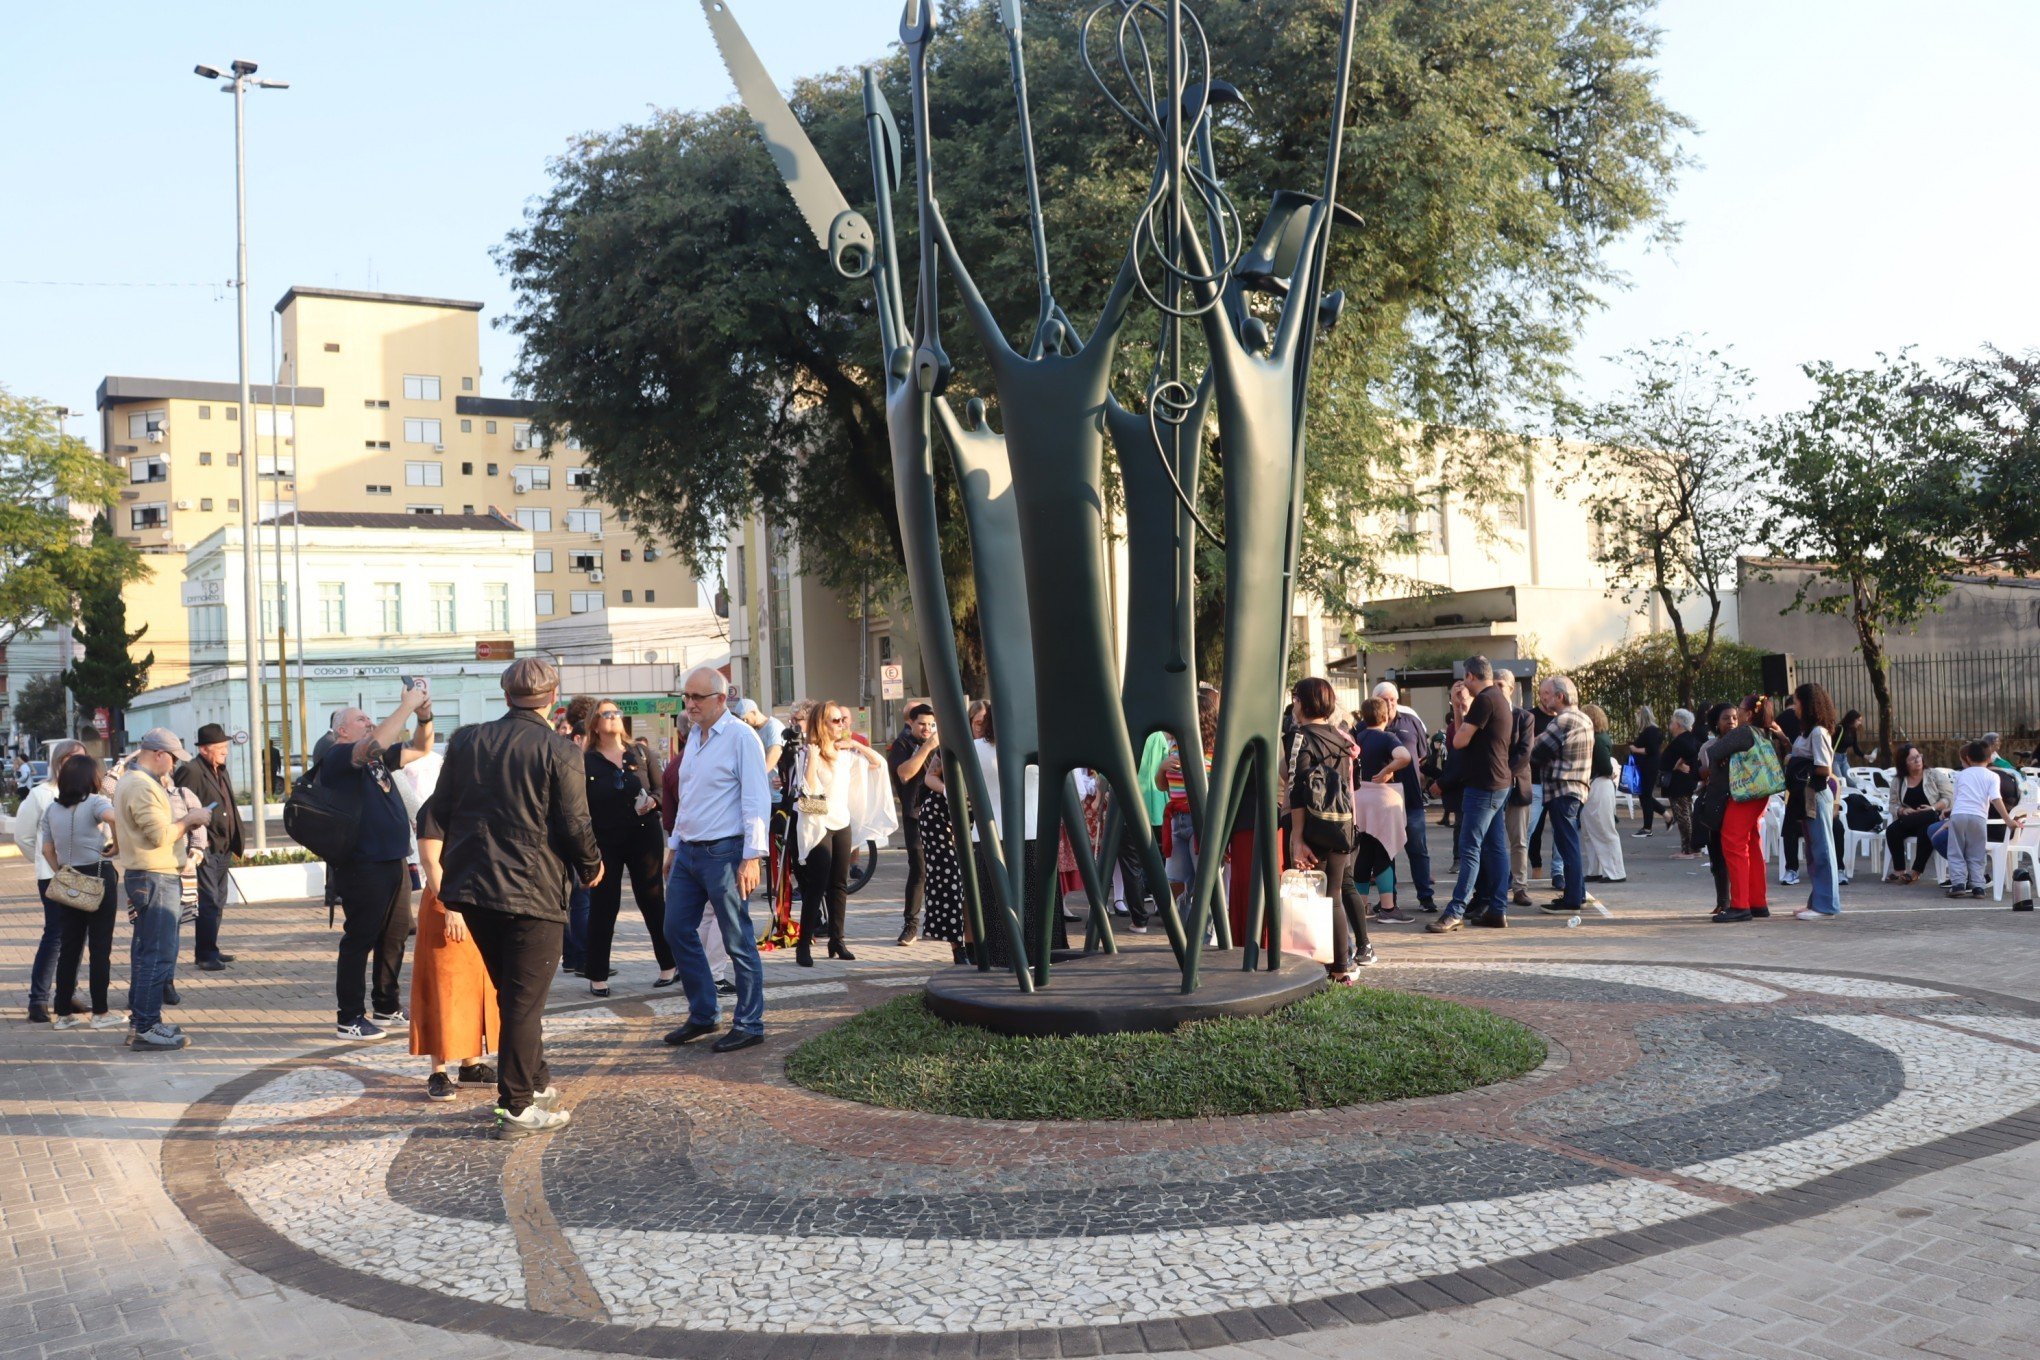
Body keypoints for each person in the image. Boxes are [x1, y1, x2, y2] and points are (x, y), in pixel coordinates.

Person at [424, 658, 602, 1136]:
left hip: (476, 890)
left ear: (505, 696)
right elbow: (574, 824)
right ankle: (517, 1106)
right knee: (524, 1002)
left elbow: (437, 810)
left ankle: (535, 1081)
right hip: (531, 891)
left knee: (514, 994)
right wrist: (592, 866)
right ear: (553, 697)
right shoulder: (559, 750)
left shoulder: (466, 740)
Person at [661, 667, 771, 1052]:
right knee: (675, 928)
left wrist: (752, 856)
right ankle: (704, 1013)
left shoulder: (741, 737)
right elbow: (689, 797)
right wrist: (673, 845)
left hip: (725, 853)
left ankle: (750, 1022)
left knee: (737, 939)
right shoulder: (694, 735)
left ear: (721, 700)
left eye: (697, 698)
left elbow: (757, 798)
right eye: (686, 697)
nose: (689, 704)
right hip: (689, 851)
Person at [321, 685, 436, 1041]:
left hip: (393, 859)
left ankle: (385, 1004)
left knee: (395, 933)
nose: (369, 722)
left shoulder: (376, 761)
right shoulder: (339, 757)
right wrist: (405, 706)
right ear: (342, 730)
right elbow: (375, 742)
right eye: (360, 719)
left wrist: (424, 715)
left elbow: (421, 747)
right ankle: (350, 1016)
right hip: (362, 863)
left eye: (369, 717)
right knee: (360, 938)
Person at [115, 729, 212, 1051]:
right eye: (172, 759)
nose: (172, 767)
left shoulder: (135, 782)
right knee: (156, 956)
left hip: (151, 875)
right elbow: (159, 835)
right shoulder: (142, 785)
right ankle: (146, 1026)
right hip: (154, 876)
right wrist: (191, 818)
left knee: (149, 954)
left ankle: (142, 1022)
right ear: (159, 754)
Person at [409, 769, 498, 1101]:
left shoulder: (480, 804)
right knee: (441, 987)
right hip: (445, 904)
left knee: (475, 986)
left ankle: (471, 1064)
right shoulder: (435, 808)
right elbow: (431, 862)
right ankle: (438, 1070)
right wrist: (452, 908)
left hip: (478, 903)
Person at [581, 699, 678, 997]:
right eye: (606, 714)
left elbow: (662, 789)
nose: (613, 717)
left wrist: (654, 801)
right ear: (595, 723)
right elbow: (579, 804)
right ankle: (597, 975)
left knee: (651, 899)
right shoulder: (585, 760)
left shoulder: (640, 752)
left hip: (643, 835)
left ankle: (669, 967)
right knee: (603, 904)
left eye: (616, 712)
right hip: (604, 839)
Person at [791, 699, 893, 966]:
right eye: (835, 721)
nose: (841, 725)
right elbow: (808, 791)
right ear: (821, 724)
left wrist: (856, 744)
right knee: (815, 886)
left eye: (842, 720)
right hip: (817, 825)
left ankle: (838, 940)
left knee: (839, 884)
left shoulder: (846, 755)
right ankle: (804, 945)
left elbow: (877, 764)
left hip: (841, 822)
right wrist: (812, 759)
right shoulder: (807, 752)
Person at [1287, 677, 1374, 978]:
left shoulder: (1301, 738)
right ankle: (1341, 968)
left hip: (1313, 826)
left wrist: (1297, 838)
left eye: (1295, 697)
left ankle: (1315, 966)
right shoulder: (1343, 738)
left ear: (1303, 702)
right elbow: (1352, 784)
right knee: (1333, 896)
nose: (1293, 703)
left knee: (1313, 899)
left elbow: (1298, 791)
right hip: (1341, 824)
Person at [1427, 658, 1513, 933]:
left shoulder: (1485, 701)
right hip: (1499, 783)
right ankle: (1497, 910)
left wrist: (1459, 709)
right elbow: (1465, 738)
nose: (1464, 685)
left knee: (1470, 850)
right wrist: (1459, 709)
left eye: (1465, 680)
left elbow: (1459, 741)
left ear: (1470, 676)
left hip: (1483, 786)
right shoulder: (1499, 698)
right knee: (1497, 848)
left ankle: (1455, 912)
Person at [40, 753, 123, 1032]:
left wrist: (61, 872)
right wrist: (117, 844)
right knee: (100, 948)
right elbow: (115, 817)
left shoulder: (52, 810)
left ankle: (63, 1014)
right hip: (98, 877)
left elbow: (46, 850)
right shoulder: (97, 802)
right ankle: (100, 1012)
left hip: (68, 879)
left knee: (69, 948)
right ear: (91, 778)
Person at [16, 738, 84, 1023]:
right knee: (55, 935)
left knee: (78, 936)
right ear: (61, 761)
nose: (82, 764)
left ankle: (66, 994)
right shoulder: (42, 794)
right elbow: (23, 835)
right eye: (75, 758)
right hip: (53, 875)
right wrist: (45, 862)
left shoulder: (85, 792)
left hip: (83, 873)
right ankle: (38, 1000)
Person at [1707, 694, 1788, 923]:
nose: (1738, 712)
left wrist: (1724, 755)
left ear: (1749, 714)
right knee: (1752, 843)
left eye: (1740, 709)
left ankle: (1740, 904)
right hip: (1760, 794)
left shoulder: (1744, 732)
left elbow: (1714, 752)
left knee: (1732, 842)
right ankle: (1757, 902)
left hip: (1745, 795)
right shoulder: (1763, 733)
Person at [173, 724, 244, 971]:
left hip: (223, 847)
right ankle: (204, 955)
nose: (225, 752)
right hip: (205, 846)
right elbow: (180, 807)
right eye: (220, 748)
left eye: (226, 747)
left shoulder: (220, 769)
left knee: (219, 899)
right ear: (204, 750)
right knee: (209, 900)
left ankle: (210, 947)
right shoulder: (190, 772)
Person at [1529, 676, 1594, 915]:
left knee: (1568, 845)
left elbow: (1536, 752)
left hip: (1562, 789)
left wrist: (1532, 740)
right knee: (1570, 843)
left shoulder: (1563, 720)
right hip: (1575, 789)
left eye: (1546, 693)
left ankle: (1573, 899)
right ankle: (1576, 894)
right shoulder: (1583, 718)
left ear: (1561, 696)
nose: (1542, 698)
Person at [1372, 682, 1437, 911]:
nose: (1390, 704)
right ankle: (1388, 900)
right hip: (1382, 802)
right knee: (1384, 853)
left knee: (1418, 850)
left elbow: (1421, 756)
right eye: (1385, 700)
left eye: (1393, 699)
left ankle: (1425, 897)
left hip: (1411, 800)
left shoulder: (1411, 722)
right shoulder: (1367, 726)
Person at [1350, 694, 1412, 924]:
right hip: (1382, 802)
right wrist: (1388, 769)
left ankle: (1361, 906)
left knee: (1364, 853)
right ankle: (1388, 908)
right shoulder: (1388, 738)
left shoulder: (1355, 738)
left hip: (1358, 800)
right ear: (1385, 716)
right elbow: (1404, 756)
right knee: (1384, 851)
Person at [1789, 682, 1845, 920]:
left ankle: (1826, 905)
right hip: (1807, 795)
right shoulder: (1808, 732)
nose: (1793, 706)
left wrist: (1797, 764)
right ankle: (1817, 901)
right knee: (1814, 850)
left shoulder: (1818, 732)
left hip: (1815, 794)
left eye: (1796, 701)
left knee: (1822, 849)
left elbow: (1824, 767)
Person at [887, 703, 939, 945]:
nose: (927, 729)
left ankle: (942, 924)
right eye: (922, 724)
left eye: (931, 725)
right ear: (911, 723)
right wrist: (927, 747)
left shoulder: (941, 745)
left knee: (946, 870)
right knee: (919, 870)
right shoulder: (902, 745)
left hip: (942, 814)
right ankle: (910, 926)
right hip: (916, 815)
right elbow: (905, 773)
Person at [1948, 739, 2024, 898]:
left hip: (1959, 814)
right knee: (1977, 852)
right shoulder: (1992, 776)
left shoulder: (1961, 775)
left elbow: (1955, 798)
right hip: (1978, 817)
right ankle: (1978, 887)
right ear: (1990, 758)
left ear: (1968, 758)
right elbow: (1996, 799)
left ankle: (1958, 885)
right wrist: (2008, 821)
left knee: (1956, 852)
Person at [916, 751, 972, 963]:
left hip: (976, 814)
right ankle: (958, 949)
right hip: (939, 816)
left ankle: (975, 946)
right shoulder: (954, 740)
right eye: (976, 722)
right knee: (952, 880)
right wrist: (949, 790)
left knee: (975, 881)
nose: (980, 727)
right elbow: (930, 776)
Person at [1883, 743, 1951, 885]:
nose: (1918, 760)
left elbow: (1949, 798)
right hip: (1909, 818)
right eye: (1912, 759)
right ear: (1904, 763)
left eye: (1918, 756)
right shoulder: (1898, 780)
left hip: (1933, 817)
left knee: (1926, 829)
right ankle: (1899, 870)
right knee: (1892, 830)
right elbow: (1892, 804)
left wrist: (1933, 807)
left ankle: (1916, 871)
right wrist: (1902, 810)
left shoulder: (1934, 775)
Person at [1496, 670, 1535, 909]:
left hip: (1517, 785)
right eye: (1493, 684)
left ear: (1511, 688)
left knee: (1519, 840)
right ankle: (1496, 886)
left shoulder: (1524, 717)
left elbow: (1525, 751)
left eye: (1501, 684)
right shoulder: (1487, 716)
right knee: (1493, 841)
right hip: (1491, 786)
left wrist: (1505, 775)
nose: (1497, 688)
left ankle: (1520, 888)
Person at [1578, 703, 1626, 884]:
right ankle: (1599, 870)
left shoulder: (1597, 739)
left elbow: (1605, 766)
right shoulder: (1601, 737)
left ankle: (1614, 871)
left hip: (1599, 784)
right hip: (1600, 784)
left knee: (1602, 829)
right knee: (1594, 829)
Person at [1661, 709, 1703, 859]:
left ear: (1678, 724)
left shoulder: (1682, 741)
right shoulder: (1691, 739)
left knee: (1683, 816)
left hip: (1679, 784)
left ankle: (1688, 850)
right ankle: (1693, 847)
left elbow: (1665, 762)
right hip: (1686, 783)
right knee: (1687, 815)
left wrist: (1678, 764)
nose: (1670, 725)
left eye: (1672, 722)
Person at [1628, 706, 1667, 837]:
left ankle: (1647, 827)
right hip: (1649, 765)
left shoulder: (1650, 731)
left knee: (1645, 795)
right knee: (1645, 795)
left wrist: (1634, 749)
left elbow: (1651, 750)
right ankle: (1666, 815)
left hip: (1648, 766)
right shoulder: (1653, 731)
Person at [1836, 710, 1870, 774]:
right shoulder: (1840, 729)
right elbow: (1830, 744)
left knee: (1851, 780)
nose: (1860, 723)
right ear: (1852, 719)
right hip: (1835, 759)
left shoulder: (1853, 731)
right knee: (1840, 780)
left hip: (1844, 759)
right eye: (1858, 720)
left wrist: (1866, 756)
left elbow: (1855, 747)